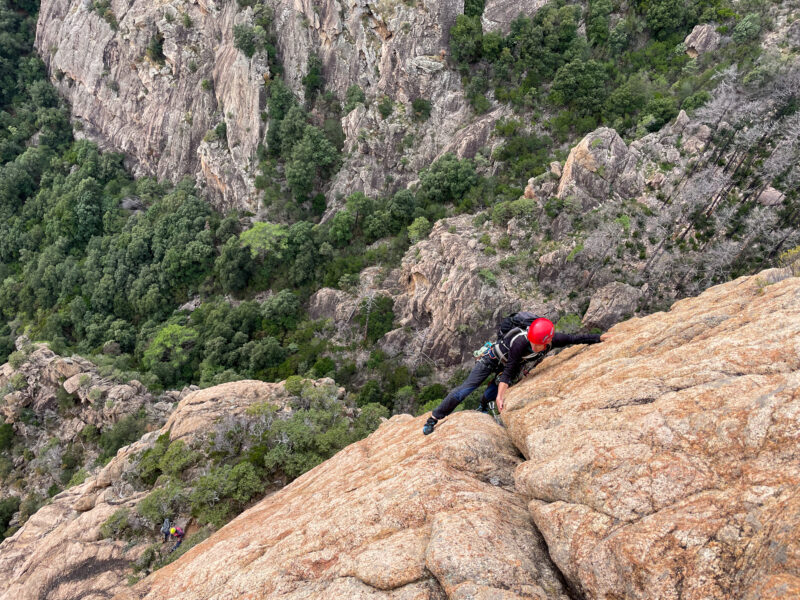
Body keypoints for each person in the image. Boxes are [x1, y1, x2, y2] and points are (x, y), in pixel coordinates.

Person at [422, 315, 602, 435]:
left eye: (536, 344)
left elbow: (574, 338)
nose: (532, 346)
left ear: (547, 343)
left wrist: (599, 338)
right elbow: (508, 371)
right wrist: (502, 395)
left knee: (490, 394)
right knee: (465, 390)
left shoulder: (553, 340)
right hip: (492, 359)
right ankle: (434, 418)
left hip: (511, 364)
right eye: (531, 342)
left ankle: (483, 405)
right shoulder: (521, 342)